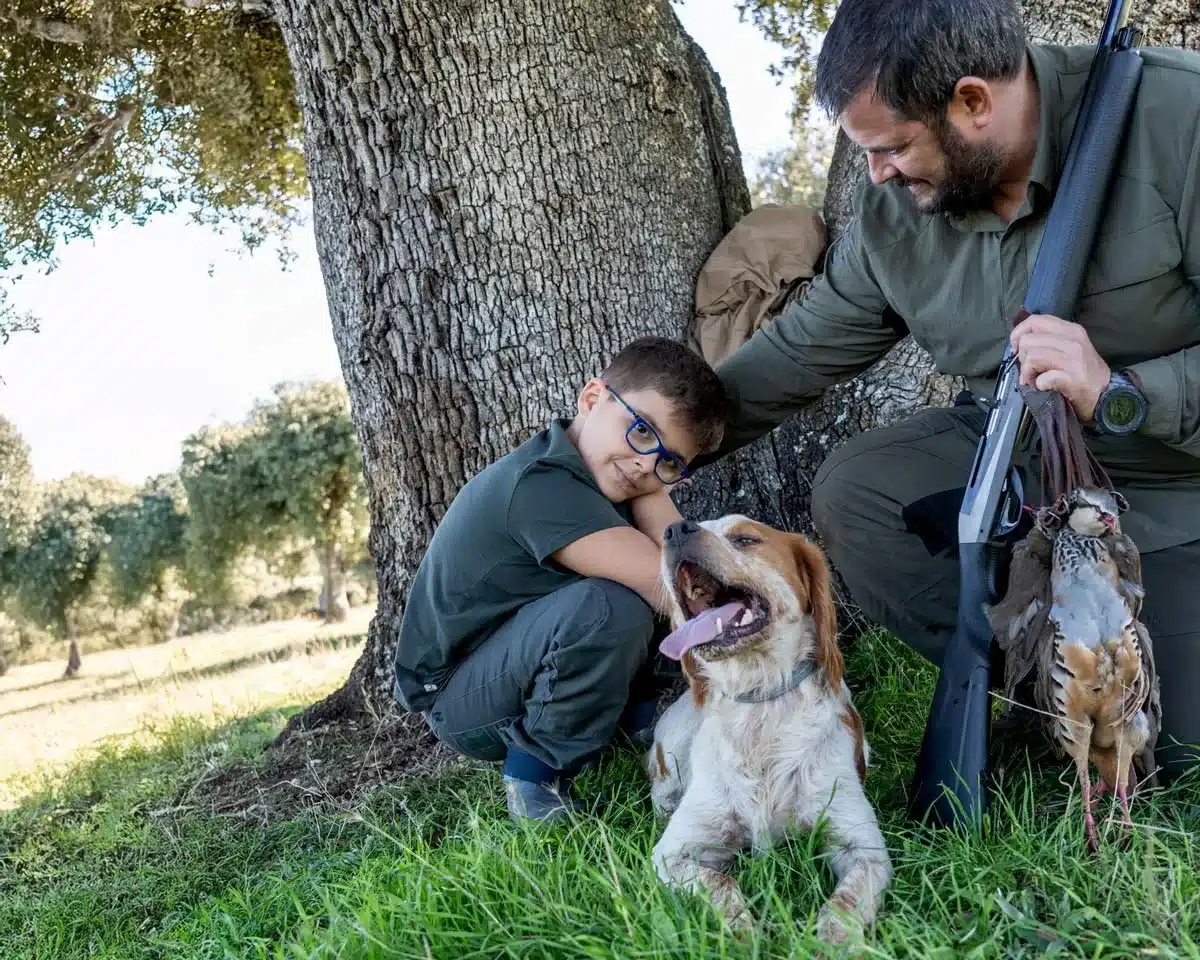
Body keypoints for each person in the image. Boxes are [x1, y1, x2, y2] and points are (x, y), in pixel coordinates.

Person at [700, 0, 1200, 781]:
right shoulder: (894, 214)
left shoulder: (1179, 118)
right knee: (861, 491)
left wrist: (1120, 390)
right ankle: (1039, 687)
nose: (876, 173)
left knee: (1173, 752)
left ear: (972, 101)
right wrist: (651, 437)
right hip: (1023, 472)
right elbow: (800, 350)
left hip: (1175, 489)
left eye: (893, 146)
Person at [393, 336, 728, 822]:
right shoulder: (541, 484)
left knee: (631, 592)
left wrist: (649, 490)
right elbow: (669, 587)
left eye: (670, 461)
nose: (645, 463)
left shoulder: (606, 470)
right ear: (592, 399)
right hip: (461, 699)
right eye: (641, 431)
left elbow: (679, 561)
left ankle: (634, 729)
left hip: (519, 660)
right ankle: (536, 781)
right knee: (611, 607)